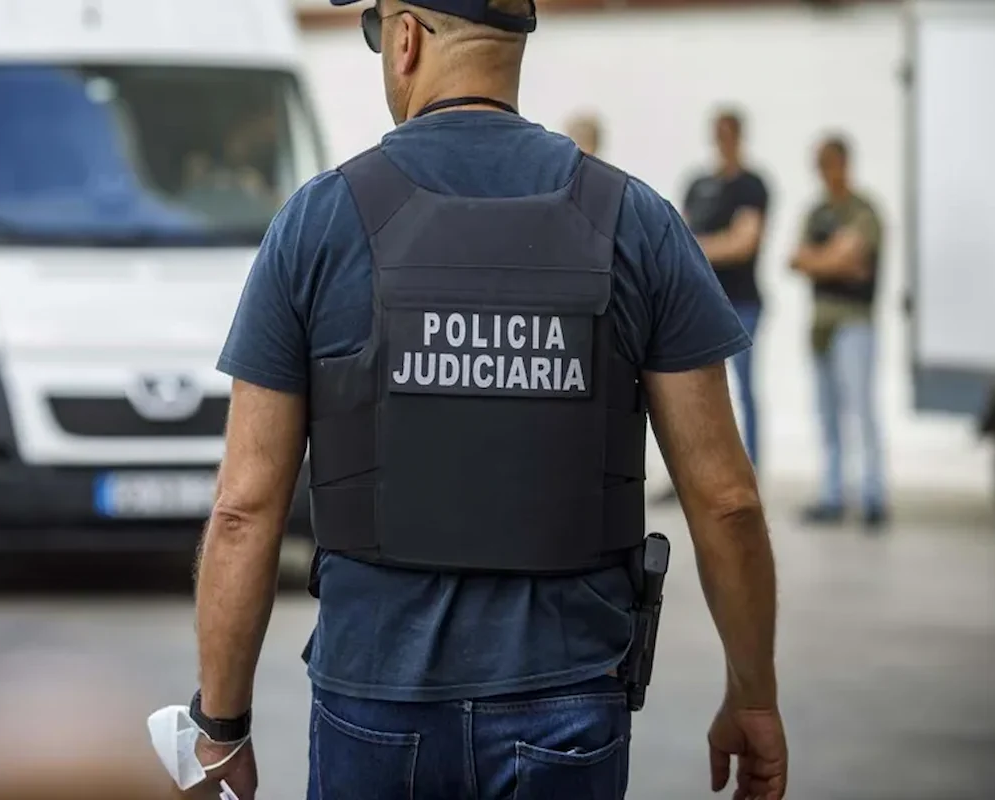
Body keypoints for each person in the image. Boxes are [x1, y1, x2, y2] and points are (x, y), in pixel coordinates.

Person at [185, 0, 787, 798]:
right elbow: (728, 501)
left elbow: (244, 508)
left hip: (375, 700)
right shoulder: (634, 221)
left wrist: (220, 730)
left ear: (405, 40)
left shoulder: (319, 223)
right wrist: (753, 695)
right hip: (568, 698)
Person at [654, 108, 769, 505]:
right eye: (718, 133)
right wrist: (713, 245)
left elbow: (745, 243)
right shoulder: (698, 183)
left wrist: (700, 247)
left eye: (729, 133)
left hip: (742, 303)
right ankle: (689, 475)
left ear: (739, 136)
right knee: (691, 389)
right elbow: (680, 234)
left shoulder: (753, 185)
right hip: (701, 300)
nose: (724, 141)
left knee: (744, 389)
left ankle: (748, 474)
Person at [790, 134, 888, 527]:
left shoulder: (863, 211)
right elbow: (797, 259)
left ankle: (873, 495)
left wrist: (822, 260)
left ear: (844, 163)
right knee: (827, 413)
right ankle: (832, 494)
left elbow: (856, 256)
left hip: (854, 323)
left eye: (828, 163)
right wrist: (836, 261)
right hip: (821, 324)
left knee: (862, 409)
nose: (823, 172)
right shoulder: (816, 213)